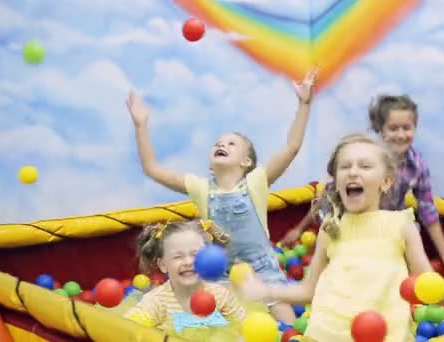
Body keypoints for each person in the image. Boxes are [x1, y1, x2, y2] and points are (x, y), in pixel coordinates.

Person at [240, 134, 444, 341]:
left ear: (386, 182)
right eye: (345, 166)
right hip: (326, 336)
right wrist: (267, 290)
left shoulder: (400, 226)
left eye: (365, 166)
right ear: (337, 180)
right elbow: (309, 290)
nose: (353, 172)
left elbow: (430, 291)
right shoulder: (331, 229)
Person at [126, 68, 319, 323]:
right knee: (216, 323)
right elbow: (152, 169)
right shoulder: (201, 188)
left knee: (289, 326)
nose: (221, 145)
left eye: (231, 144)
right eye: (218, 143)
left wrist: (304, 103)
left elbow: (292, 147)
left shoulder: (255, 183)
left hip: (262, 269)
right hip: (219, 271)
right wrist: (141, 126)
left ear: (246, 161)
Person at [283, 95, 444, 275]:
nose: (401, 135)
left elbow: (427, 209)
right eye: (393, 128)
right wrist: (300, 229)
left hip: (388, 228)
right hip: (353, 226)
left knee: (408, 233)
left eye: (407, 128)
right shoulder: (364, 157)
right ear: (381, 129)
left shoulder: (416, 165)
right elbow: (327, 197)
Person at [123, 221, 246, 339]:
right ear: (163, 265)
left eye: (196, 254)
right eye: (178, 256)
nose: (188, 262)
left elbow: (245, 328)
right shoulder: (156, 302)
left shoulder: (220, 295)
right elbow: (123, 331)